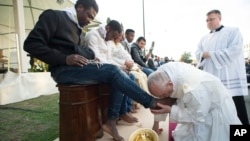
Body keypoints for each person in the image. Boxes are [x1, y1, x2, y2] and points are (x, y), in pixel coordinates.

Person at [23, 0, 169, 141]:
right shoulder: (54, 16)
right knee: (113, 71)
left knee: (120, 74)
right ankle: (150, 102)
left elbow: (84, 51)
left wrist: (86, 55)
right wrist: (65, 58)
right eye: (89, 15)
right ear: (79, 7)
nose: (90, 21)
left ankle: (113, 119)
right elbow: (31, 44)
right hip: (62, 70)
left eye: (92, 18)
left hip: (77, 68)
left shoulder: (77, 29)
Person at [148, 62, 242, 141]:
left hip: (212, 105)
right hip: (197, 103)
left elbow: (198, 115)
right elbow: (162, 100)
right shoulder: (162, 73)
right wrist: (156, 124)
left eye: (164, 95)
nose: (162, 97)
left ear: (170, 84)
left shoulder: (193, 89)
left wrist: (171, 110)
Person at [195, 9, 249, 125]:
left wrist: (211, 54)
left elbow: (235, 50)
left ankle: (241, 134)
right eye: (207, 20)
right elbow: (198, 53)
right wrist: (202, 55)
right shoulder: (204, 38)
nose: (208, 22)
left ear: (220, 18)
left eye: (212, 19)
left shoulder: (233, 31)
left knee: (237, 107)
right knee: (217, 108)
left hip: (229, 76)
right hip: (212, 76)